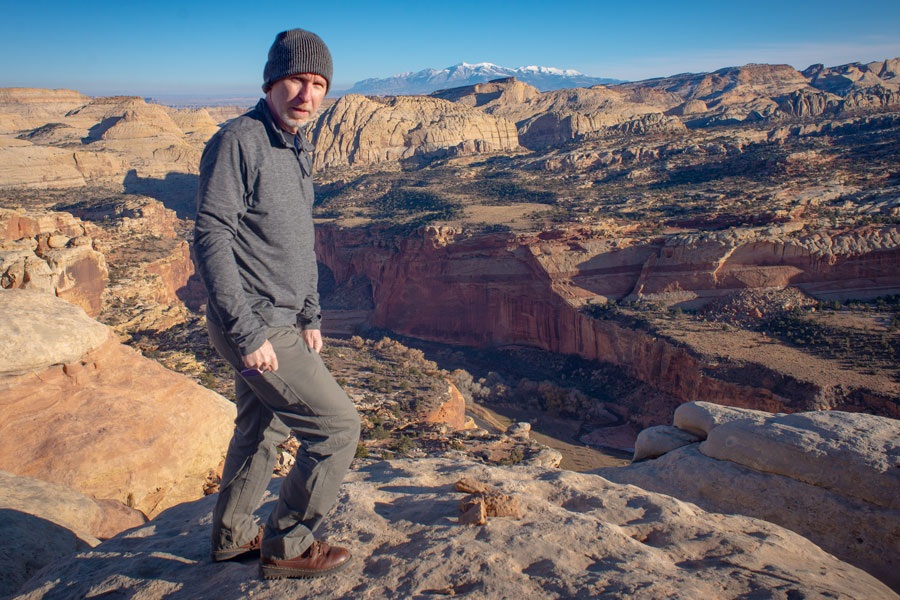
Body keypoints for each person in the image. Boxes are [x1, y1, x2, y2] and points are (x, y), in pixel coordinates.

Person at [193, 28, 359, 580]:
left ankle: (233, 538)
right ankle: (286, 547)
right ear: (270, 82)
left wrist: (309, 313)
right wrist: (248, 331)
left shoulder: (295, 144)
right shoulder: (239, 139)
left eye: (318, 84)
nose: (306, 94)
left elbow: (297, 239)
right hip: (254, 320)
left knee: (261, 430)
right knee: (336, 430)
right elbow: (211, 235)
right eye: (295, 80)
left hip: (282, 317)